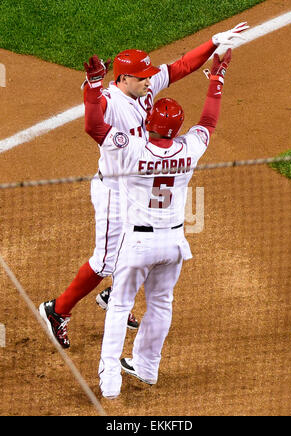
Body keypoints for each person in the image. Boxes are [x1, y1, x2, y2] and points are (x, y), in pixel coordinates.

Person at [39, 22, 248, 349]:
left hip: (140, 187)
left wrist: (213, 43)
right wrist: (92, 86)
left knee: (148, 241)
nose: (150, 80)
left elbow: (181, 66)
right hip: (114, 192)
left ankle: (114, 293)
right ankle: (57, 310)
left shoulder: (146, 87)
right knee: (105, 260)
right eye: (142, 77)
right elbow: (93, 123)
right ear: (122, 79)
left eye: (150, 75)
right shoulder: (109, 100)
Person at [82, 43, 232, 398]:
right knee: (161, 303)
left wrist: (91, 88)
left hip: (138, 244)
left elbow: (94, 126)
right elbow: (208, 120)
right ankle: (147, 367)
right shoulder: (189, 149)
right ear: (178, 128)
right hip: (175, 244)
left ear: (148, 123)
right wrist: (217, 80)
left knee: (119, 306)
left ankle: (110, 381)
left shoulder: (131, 150)